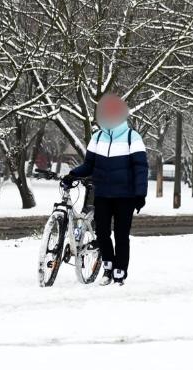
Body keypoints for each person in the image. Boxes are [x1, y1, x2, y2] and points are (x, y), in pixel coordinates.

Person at [63, 94, 148, 286]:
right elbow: (89, 165)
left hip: (125, 196)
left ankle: (120, 271)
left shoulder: (131, 137)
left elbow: (140, 168)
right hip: (102, 194)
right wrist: (72, 175)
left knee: (121, 234)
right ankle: (108, 266)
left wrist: (140, 194)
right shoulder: (97, 137)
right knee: (101, 233)